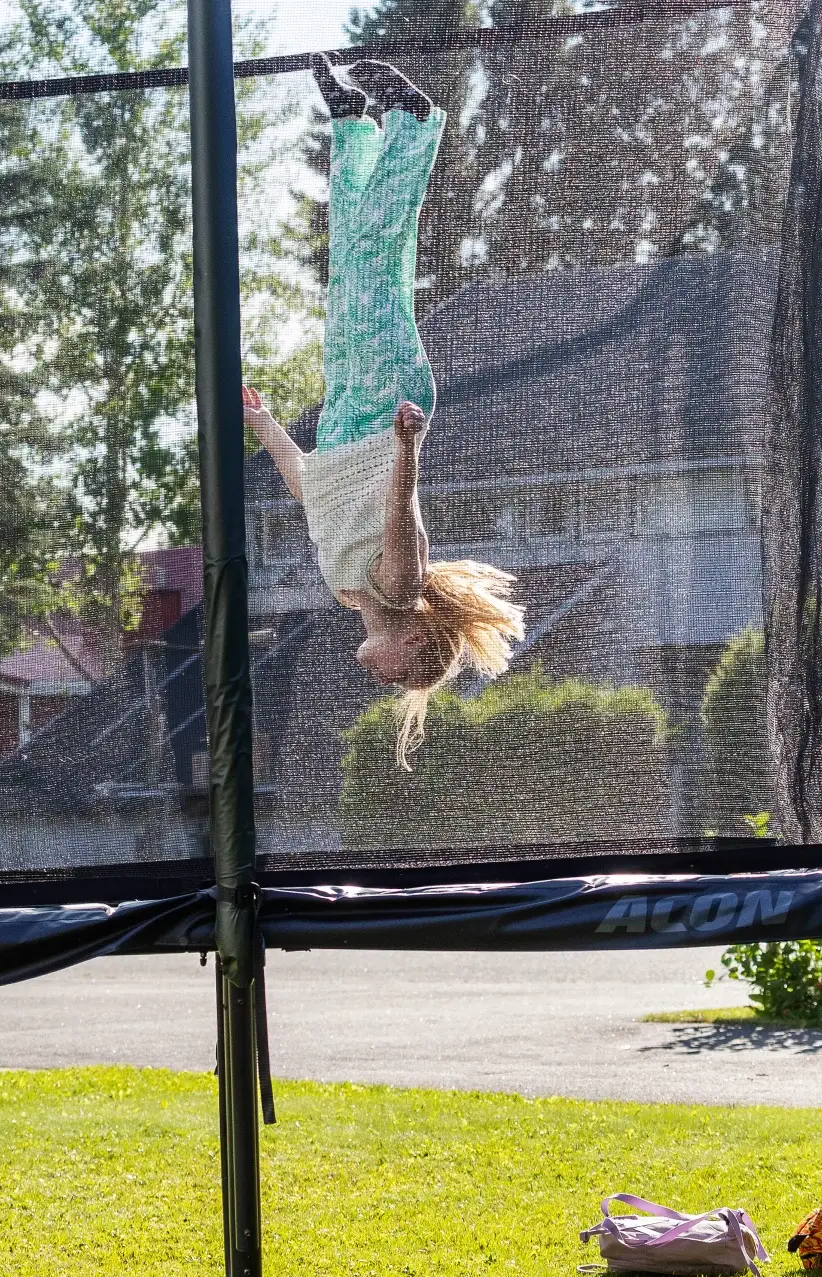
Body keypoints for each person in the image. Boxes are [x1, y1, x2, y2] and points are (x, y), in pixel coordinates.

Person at [243, 55, 523, 764]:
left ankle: (351, 130)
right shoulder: (398, 587)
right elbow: (401, 510)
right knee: (373, 257)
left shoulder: (344, 591)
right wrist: (408, 445)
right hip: (383, 416)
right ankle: (414, 124)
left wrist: (267, 426)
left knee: (350, 265)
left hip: (340, 422)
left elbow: (312, 491)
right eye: (399, 677)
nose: (380, 678)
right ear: (414, 642)